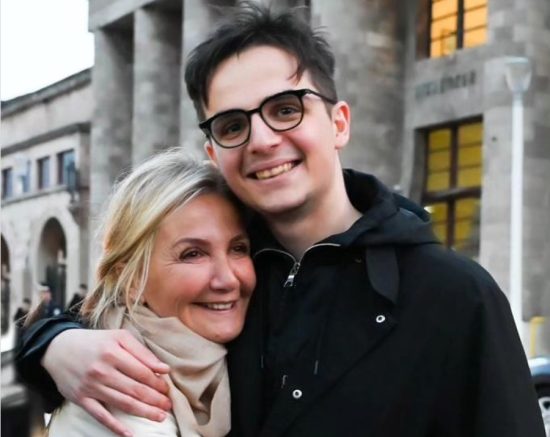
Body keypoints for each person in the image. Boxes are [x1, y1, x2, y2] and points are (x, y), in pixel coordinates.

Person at [16, 3, 544, 437]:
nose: (264, 140)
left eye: (286, 109)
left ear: (338, 122)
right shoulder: (224, 287)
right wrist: (52, 346)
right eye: (233, 124)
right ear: (213, 153)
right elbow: (112, 315)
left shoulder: (455, 297)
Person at [45, 149, 255, 436]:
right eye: (192, 254)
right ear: (131, 280)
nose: (228, 279)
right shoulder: (121, 399)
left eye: (238, 248)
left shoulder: (216, 367)